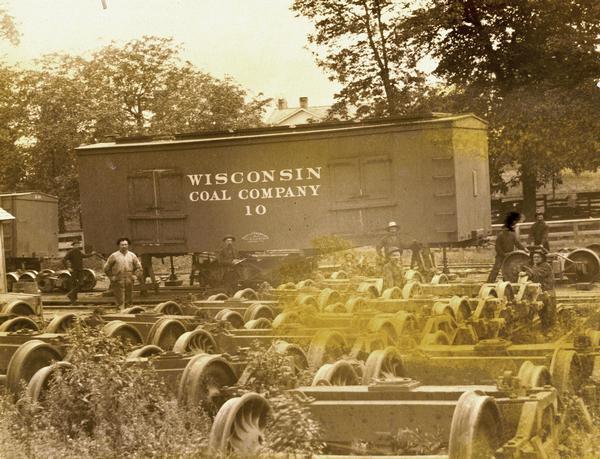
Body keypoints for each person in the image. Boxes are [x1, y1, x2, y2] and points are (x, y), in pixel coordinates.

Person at [487, 211, 527, 282]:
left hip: (509, 255)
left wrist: (524, 249)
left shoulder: (512, 235)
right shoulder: (500, 235)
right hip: (501, 255)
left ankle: (506, 281)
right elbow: (497, 247)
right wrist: (503, 254)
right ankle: (490, 281)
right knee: (496, 268)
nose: (507, 229)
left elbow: (517, 243)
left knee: (507, 268)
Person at [103, 238, 142, 308]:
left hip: (129, 277)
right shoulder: (114, 256)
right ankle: (120, 310)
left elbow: (139, 267)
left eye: (126, 244)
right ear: (119, 245)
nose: (124, 246)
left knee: (129, 296)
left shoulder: (132, 255)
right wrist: (111, 277)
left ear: (128, 245)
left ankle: (128, 311)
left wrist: (135, 276)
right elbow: (106, 268)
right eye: (122, 245)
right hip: (118, 278)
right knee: (119, 297)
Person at [522, 250, 556, 328]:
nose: (536, 258)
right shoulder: (535, 266)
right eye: (534, 257)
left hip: (548, 291)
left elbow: (538, 274)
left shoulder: (546, 265)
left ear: (542, 258)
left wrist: (527, 273)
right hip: (540, 292)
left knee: (549, 313)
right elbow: (533, 273)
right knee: (542, 313)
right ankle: (545, 329)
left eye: (538, 257)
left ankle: (551, 331)